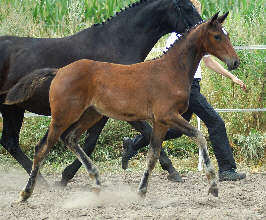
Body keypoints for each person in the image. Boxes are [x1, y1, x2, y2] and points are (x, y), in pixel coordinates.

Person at [122, 0, 247, 182]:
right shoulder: (180, 36)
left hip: (190, 87)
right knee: (216, 123)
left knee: (176, 130)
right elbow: (167, 63)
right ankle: (227, 169)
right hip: (186, 88)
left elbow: (207, 60)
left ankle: (133, 144)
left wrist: (231, 77)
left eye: (198, 8)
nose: (197, 11)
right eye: (193, 8)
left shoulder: (197, 36)